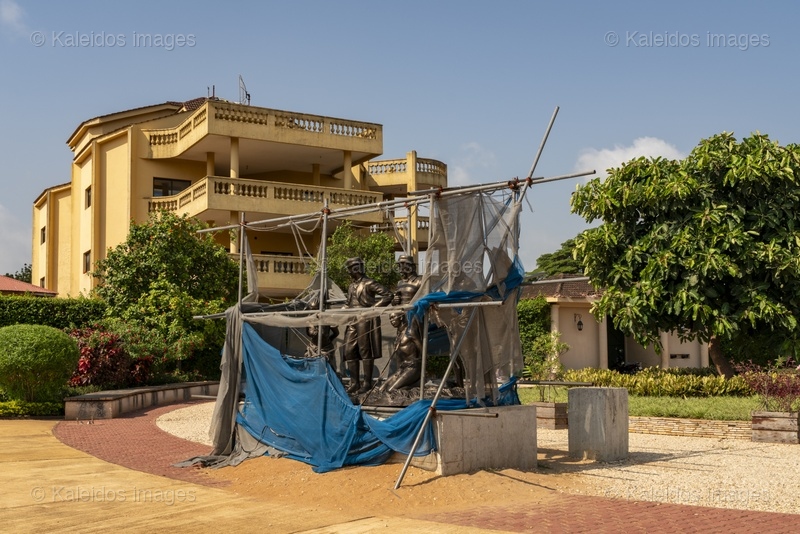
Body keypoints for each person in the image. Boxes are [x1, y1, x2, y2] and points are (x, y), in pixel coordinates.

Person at [342, 257, 392, 394]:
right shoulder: (351, 286)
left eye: (350, 269)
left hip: (365, 320)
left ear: (356, 269)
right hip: (353, 320)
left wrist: (372, 309)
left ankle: (367, 383)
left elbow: (388, 295)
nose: (348, 273)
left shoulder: (369, 283)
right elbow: (348, 303)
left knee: (365, 351)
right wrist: (339, 312)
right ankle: (354, 383)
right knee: (348, 351)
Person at [380, 311, 423, 392]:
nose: (391, 320)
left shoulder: (410, 331)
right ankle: (408, 385)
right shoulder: (398, 334)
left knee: (391, 390)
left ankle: (414, 386)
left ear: (401, 317)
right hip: (402, 368)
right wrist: (398, 372)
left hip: (412, 368)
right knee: (381, 389)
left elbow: (422, 350)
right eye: (390, 318)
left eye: (393, 317)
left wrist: (422, 367)